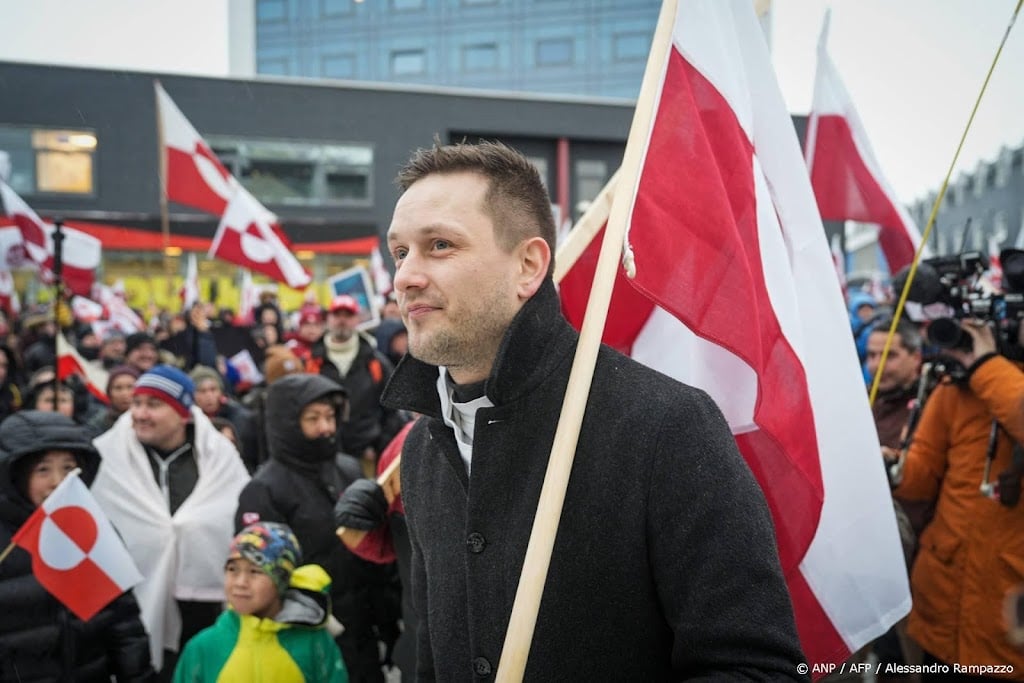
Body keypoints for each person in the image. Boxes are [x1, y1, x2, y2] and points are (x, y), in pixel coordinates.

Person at [379, 141, 805, 679]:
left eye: (439, 245)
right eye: (400, 252)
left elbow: (756, 668)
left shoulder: (666, 427)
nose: (406, 277)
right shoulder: (421, 449)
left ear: (528, 265)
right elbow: (432, 660)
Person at [235, 374, 401, 683]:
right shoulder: (264, 490)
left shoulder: (347, 468)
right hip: (306, 635)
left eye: (330, 417)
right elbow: (261, 575)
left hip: (362, 627)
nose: (325, 427)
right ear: (286, 423)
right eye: (313, 418)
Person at [92, 364, 251, 678]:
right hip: (130, 605)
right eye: (137, 403)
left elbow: (237, 515)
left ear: (182, 413)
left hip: (201, 605)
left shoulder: (218, 458)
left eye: (153, 405)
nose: (139, 413)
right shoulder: (107, 458)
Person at [888, 318, 1024, 680]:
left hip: (1008, 630)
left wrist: (986, 367)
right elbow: (921, 479)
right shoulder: (958, 387)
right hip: (942, 611)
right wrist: (891, 469)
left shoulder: (987, 376)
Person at [0, 410, 154, 681]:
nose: (57, 482)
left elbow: (125, 628)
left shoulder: (92, 533)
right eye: (43, 470)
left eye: (69, 468)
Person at [172, 522, 347, 683]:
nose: (240, 582)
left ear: (281, 580)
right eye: (232, 569)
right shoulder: (203, 647)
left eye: (255, 571)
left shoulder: (313, 643)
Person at [307, 294, 408, 472]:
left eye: (348, 315)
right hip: (321, 455)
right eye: (337, 315)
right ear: (328, 318)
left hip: (366, 457)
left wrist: (378, 444)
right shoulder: (312, 360)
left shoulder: (375, 362)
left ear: (357, 319)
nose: (342, 321)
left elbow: (392, 408)